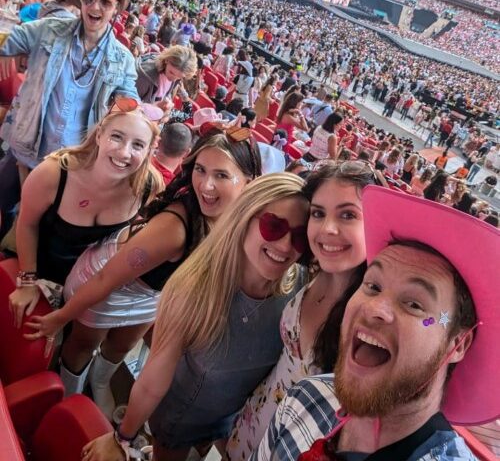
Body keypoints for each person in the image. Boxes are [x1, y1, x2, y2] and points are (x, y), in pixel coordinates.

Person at [26, 127, 262, 412]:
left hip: (151, 293)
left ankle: (99, 384)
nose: (206, 185)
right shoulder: (174, 228)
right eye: (200, 170)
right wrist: (61, 317)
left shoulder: (236, 222)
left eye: (221, 175)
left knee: (121, 347)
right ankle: (68, 399)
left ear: (249, 182)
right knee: (83, 345)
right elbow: (106, 277)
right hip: (107, 285)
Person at [253, 186, 499, 460]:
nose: (374, 308)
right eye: (372, 286)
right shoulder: (305, 398)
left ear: (458, 343)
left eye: (414, 304)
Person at [81, 172, 309, 460]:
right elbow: (153, 378)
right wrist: (122, 437)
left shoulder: (299, 286)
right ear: (245, 218)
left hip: (233, 419)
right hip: (180, 418)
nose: (286, 246)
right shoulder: (195, 288)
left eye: (299, 236)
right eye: (274, 226)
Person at [227, 161, 376, 460]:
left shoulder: (372, 321)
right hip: (250, 423)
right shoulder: (308, 273)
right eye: (318, 213)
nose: (327, 228)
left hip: (293, 448)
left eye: (348, 215)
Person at [0, 0, 138, 239]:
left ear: (115, 9)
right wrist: (5, 50)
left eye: (105, 2)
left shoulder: (123, 59)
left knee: (37, 230)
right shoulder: (50, 30)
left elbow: (128, 98)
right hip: (26, 148)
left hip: (71, 166)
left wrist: (128, 110)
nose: (94, 7)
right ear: (81, 1)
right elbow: (10, 39)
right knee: (3, 204)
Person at [9, 101, 164, 327]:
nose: (124, 152)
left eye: (138, 145)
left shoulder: (148, 187)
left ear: (149, 150)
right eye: (117, 137)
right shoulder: (54, 173)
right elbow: (27, 224)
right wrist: (27, 282)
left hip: (87, 291)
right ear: (99, 135)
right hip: (35, 268)